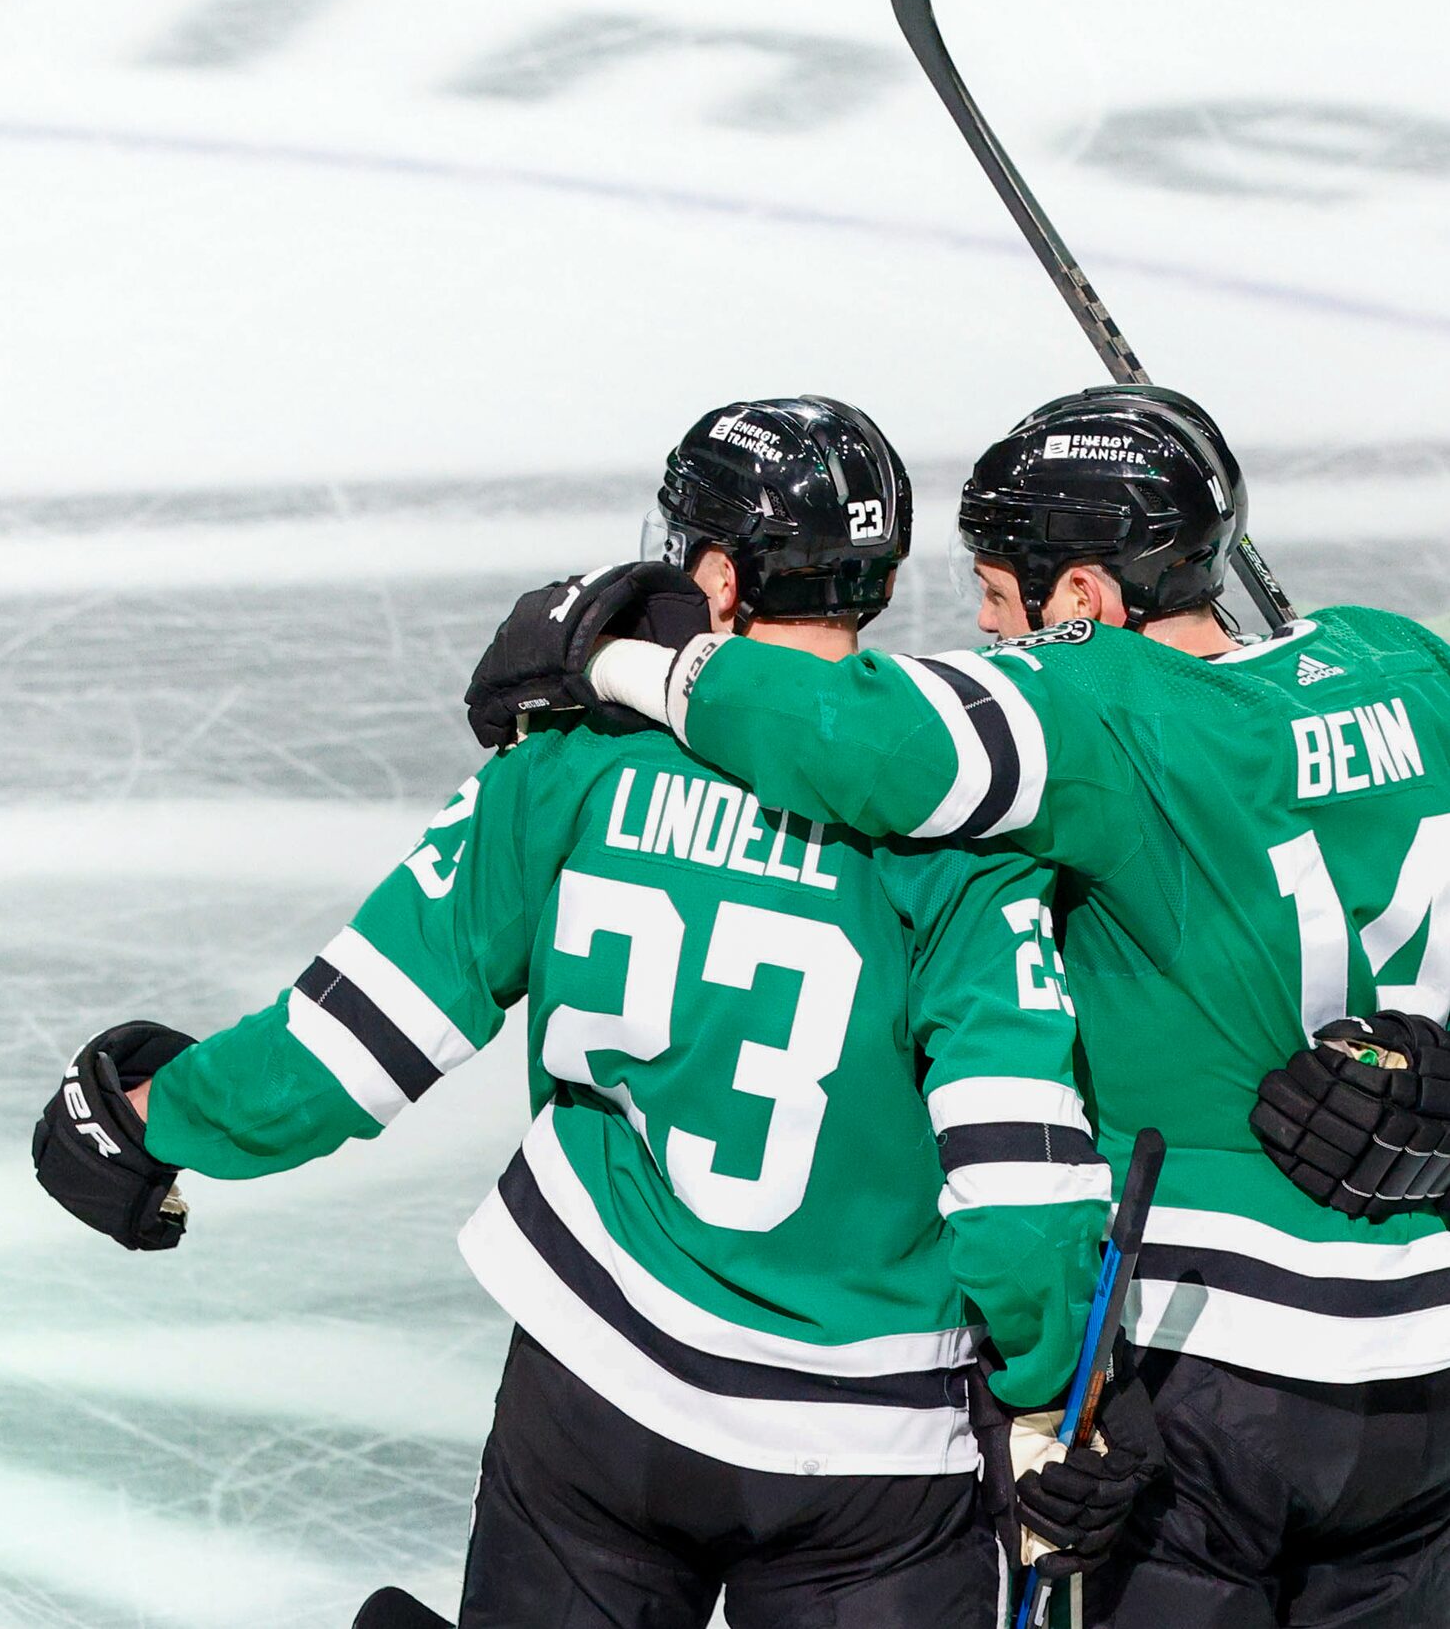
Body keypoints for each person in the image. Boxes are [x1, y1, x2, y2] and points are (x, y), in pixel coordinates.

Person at [35, 397, 1146, 1628]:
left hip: (599, 1391)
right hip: (875, 1449)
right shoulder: (961, 823)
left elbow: (349, 1048)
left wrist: (151, 1123)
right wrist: (1053, 1390)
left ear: (716, 577)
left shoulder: (568, 767)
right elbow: (1020, 1165)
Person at [470, 384, 1450, 1626]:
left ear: (1084, 602)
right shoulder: (1404, 662)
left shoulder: (1090, 705)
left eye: (996, 599)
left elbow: (853, 737)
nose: (988, 635)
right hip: (1428, 1379)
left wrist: (620, 655)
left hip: (1202, 1373)